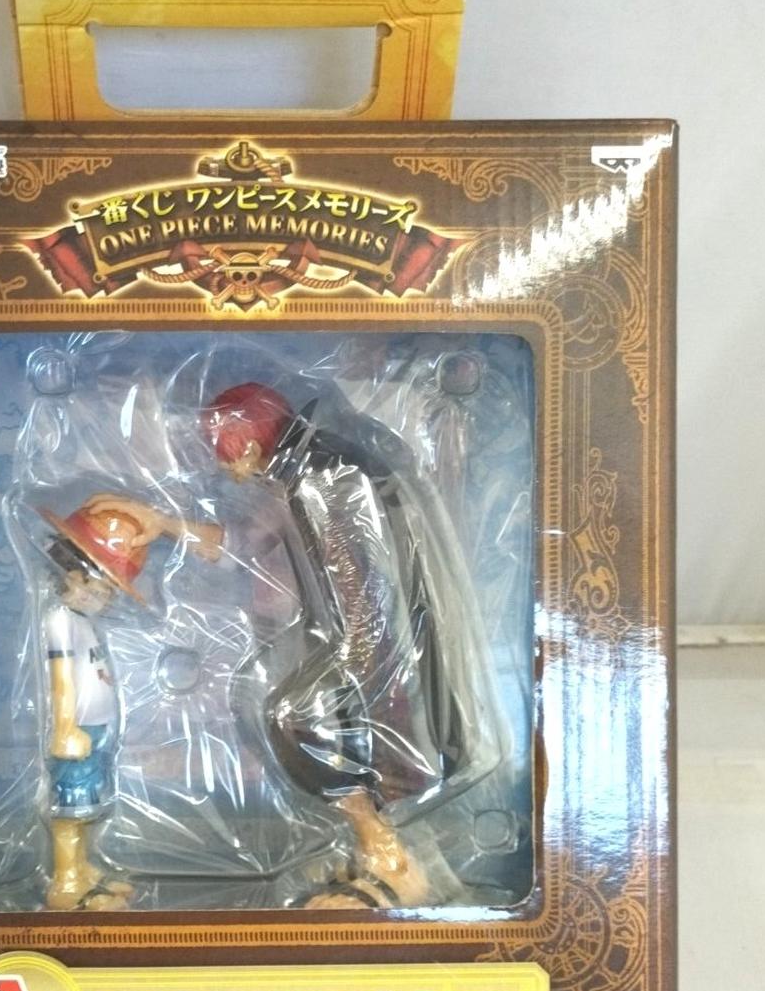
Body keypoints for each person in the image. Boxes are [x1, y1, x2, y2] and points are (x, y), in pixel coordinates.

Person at [201, 382, 507, 910]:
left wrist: (360, 661)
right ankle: (382, 852)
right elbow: (249, 544)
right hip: (370, 644)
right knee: (319, 727)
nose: (222, 468)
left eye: (223, 452)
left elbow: (361, 576)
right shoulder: (306, 472)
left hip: (380, 647)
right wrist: (163, 525)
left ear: (246, 444)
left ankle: (395, 863)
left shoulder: (323, 475)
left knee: (301, 722)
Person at [37, 494, 222, 910]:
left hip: (94, 727)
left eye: (108, 590)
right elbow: (61, 680)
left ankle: (81, 869)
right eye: (97, 585)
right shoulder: (61, 621)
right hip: (78, 729)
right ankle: (66, 881)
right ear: (70, 574)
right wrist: (64, 729)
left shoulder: (80, 622)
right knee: (70, 805)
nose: (102, 598)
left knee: (86, 803)